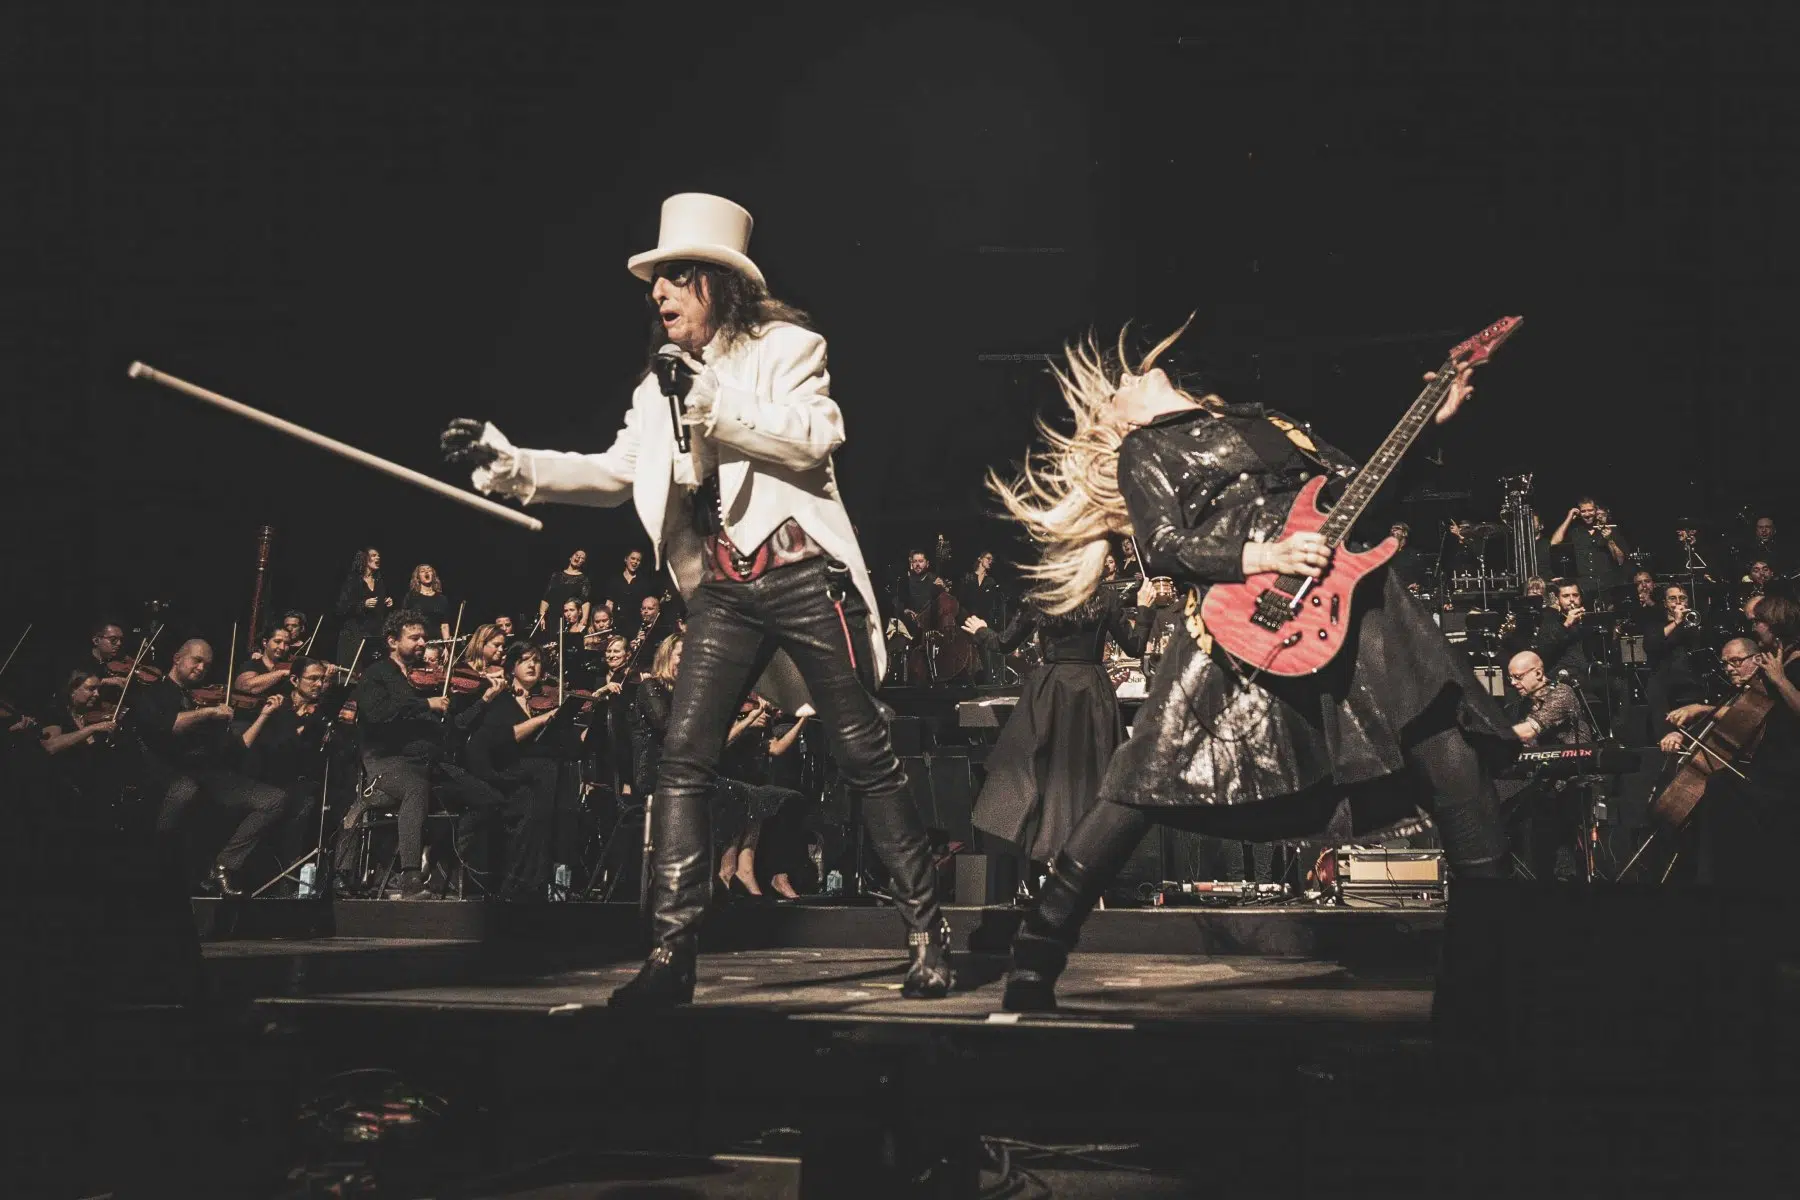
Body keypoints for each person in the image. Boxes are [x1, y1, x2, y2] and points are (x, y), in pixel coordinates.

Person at [444, 192, 949, 1007]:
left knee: (863, 754)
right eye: (654, 283)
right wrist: (514, 464)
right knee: (681, 763)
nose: (656, 294)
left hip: (802, 572)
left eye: (674, 278)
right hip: (723, 588)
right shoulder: (657, 390)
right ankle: (673, 955)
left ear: (718, 284)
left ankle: (928, 933)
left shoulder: (788, 347)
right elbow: (615, 474)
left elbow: (816, 435)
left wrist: (711, 397)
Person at [984, 322, 1510, 1011]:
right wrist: (1264, 558)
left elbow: (1366, 498)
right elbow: (1165, 546)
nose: (1128, 378)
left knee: (1453, 762)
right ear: (1116, 422)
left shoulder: (1274, 424)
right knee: (1140, 781)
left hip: (1357, 604)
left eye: (1129, 374)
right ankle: (1037, 956)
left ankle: (1485, 982)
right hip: (1244, 614)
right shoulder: (1146, 449)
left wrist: (1429, 429)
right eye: (1115, 389)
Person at [961, 575, 1158, 870]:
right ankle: (1090, 859)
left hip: (1051, 692)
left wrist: (981, 631)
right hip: (1092, 692)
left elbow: (1003, 643)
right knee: (1092, 777)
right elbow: (1134, 646)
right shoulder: (1104, 596)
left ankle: (1048, 858)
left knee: (1046, 776)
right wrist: (1144, 608)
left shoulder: (1042, 595)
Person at [132, 638, 290, 895]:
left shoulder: (206, 699)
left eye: (207, 664)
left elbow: (237, 748)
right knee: (186, 790)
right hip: (170, 774)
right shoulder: (155, 693)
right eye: (196, 660)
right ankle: (157, 866)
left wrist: (263, 715)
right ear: (177, 658)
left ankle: (223, 866)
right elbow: (167, 726)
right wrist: (207, 713)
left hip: (210, 776)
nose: (201, 668)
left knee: (274, 799)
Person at [1666, 597, 1800, 889]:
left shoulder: (1795, 663)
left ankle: (1722, 884)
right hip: (1769, 762)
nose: (1754, 627)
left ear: (1776, 625)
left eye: (1758, 621)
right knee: (1719, 786)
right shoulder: (1776, 659)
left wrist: (1780, 680)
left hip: (1789, 769)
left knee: (1720, 788)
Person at [346, 610, 449, 899]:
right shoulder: (377, 674)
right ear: (392, 641)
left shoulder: (416, 678)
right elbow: (378, 716)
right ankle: (411, 880)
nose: (421, 643)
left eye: (424, 638)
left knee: (467, 791)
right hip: (383, 760)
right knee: (416, 789)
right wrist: (425, 705)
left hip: (418, 761)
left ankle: (444, 878)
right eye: (414, 637)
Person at [465, 641, 576, 899]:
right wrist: (542, 720)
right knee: (544, 778)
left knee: (547, 790)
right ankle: (529, 885)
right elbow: (499, 741)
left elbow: (569, 746)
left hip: (538, 783)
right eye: (525, 660)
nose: (532, 665)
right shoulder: (500, 701)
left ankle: (541, 882)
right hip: (506, 776)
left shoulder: (548, 698)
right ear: (512, 667)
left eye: (536, 661)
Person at [1501, 650, 1594, 881]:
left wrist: (1489, 739)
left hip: (1572, 779)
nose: (1513, 683)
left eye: (1518, 677)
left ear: (1539, 673)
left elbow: (1528, 731)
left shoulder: (1562, 694)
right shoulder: (1522, 705)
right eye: (1510, 678)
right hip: (1543, 780)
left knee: (1562, 850)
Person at [334, 547, 392, 668]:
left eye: (378, 556)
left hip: (374, 633)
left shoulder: (379, 581)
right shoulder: (353, 581)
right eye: (374, 555)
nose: (378, 558)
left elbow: (379, 607)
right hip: (355, 634)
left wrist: (386, 602)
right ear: (365, 559)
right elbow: (341, 608)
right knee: (354, 671)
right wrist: (362, 605)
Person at [540, 550, 592, 633]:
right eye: (577, 555)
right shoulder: (556, 575)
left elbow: (585, 601)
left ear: (584, 562)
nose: (578, 557)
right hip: (553, 617)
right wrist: (541, 616)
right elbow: (546, 597)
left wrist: (584, 619)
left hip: (570, 618)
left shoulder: (584, 579)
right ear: (570, 557)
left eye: (582, 557)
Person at [405, 564, 454, 642]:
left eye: (429, 570)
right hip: (419, 640)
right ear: (417, 577)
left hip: (437, 641)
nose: (426, 572)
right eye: (422, 571)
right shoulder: (411, 597)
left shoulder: (441, 599)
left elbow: (444, 625)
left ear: (433, 575)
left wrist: (447, 645)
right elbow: (406, 622)